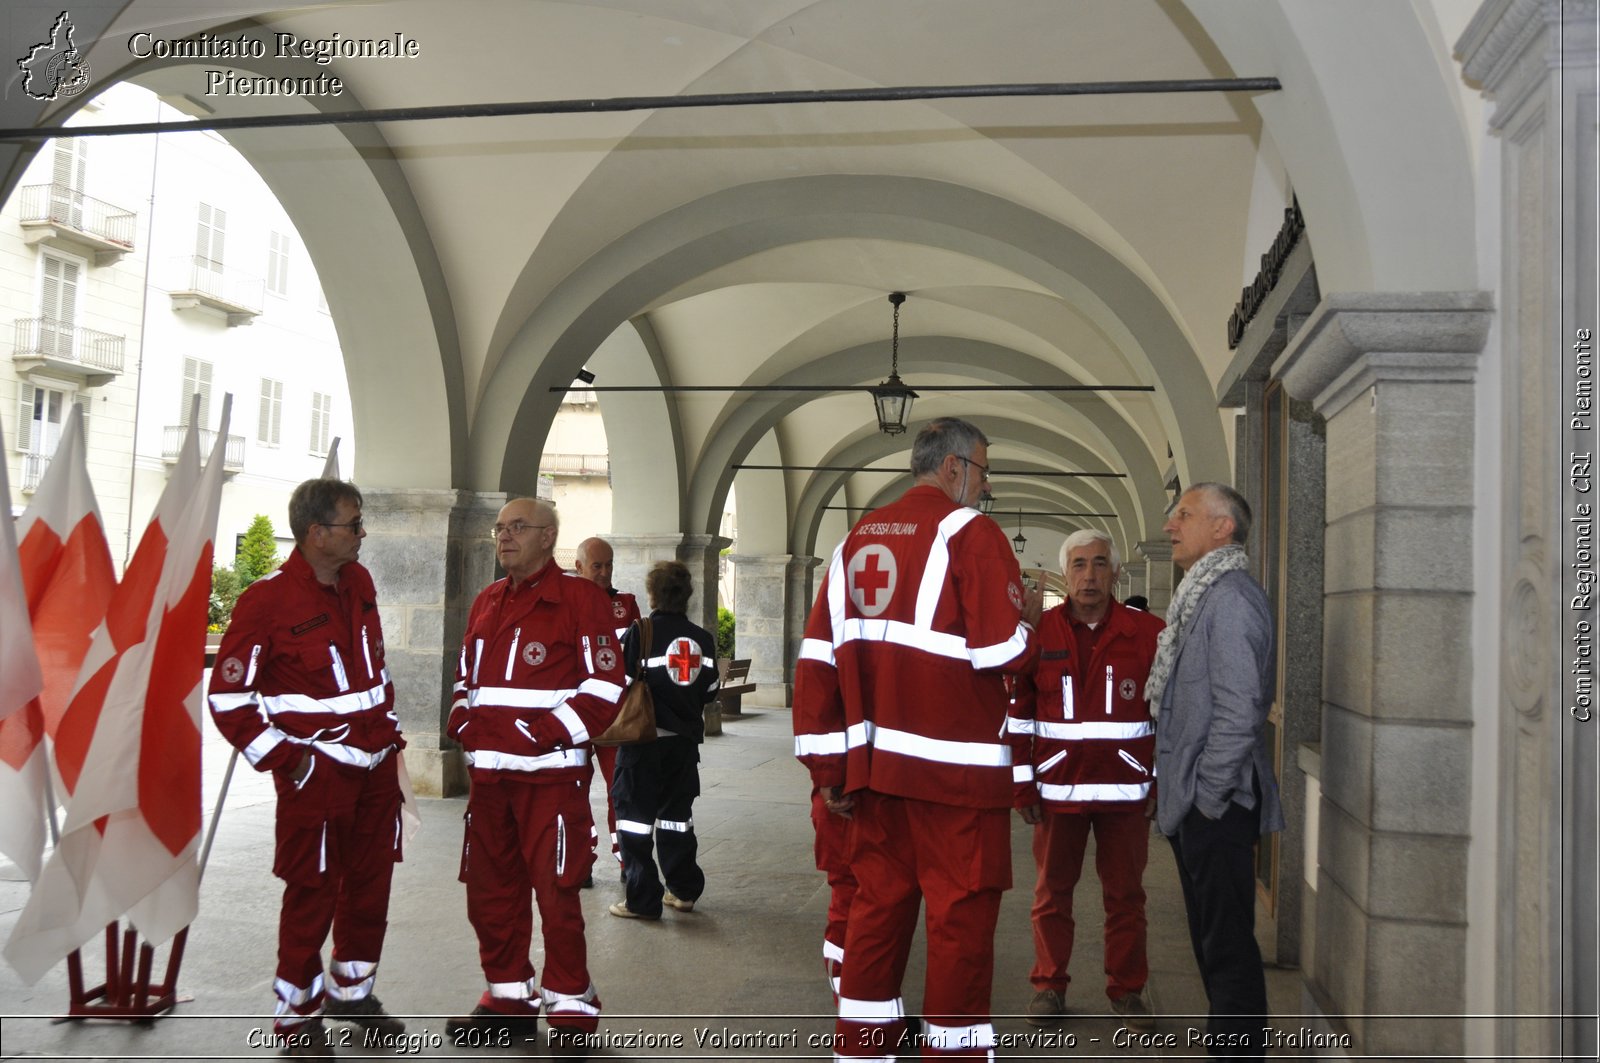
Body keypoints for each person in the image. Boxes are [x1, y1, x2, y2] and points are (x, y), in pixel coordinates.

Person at [794, 416, 1042, 1059]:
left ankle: (862, 1047)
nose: (986, 489)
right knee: (960, 921)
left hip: (876, 776)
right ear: (955, 466)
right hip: (955, 780)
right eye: (984, 472)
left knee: (877, 911)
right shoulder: (971, 533)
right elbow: (1001, 650)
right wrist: (1030, 625)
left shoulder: (855, 540)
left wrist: (828, 770)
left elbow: (818, 658)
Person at [207, 479, 405, 1057]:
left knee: (370, 889)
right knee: (311, 893)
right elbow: (229, 701)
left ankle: (352, 993)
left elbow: (372, 669)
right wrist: (289, 762)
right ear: (317, 534)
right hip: (317, 779)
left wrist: (388, 737)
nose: (362, 533)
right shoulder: (265, 602)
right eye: (353, 524)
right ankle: (296, 1017)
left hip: (374, 770)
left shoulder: (359, 582)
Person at [445, 499, 625, 1055]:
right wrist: (460, 717)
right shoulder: (487, 600)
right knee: (490, 896)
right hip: (491, 784)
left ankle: (572, 1009)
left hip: (550, 783)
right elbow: (466, 678)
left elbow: (604, 689)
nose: (504, 536)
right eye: (500, 528)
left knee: (557, 894)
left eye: (517, 527)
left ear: (549, 537)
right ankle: (508, 1002)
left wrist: (541, 734)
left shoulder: (581, 600)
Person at [1147, 483, 1284, 1062]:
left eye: (1184, 515)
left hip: (1217, 806)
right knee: (1212, 941)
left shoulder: (1228, 598)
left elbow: (1239, 710)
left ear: (1223, 527)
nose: (1171, 525)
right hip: (1200, 804)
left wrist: (1205, 797)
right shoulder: (1201, 592)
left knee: (1226, 947)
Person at [1008, 530, 1164, 1031]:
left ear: (1116, 572)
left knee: (1126, 898)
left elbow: (1169, 718)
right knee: (1052, 894)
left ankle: (1127, 990)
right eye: (1078, 565)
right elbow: (1018, 715)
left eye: (1099, 564)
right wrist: (1020, 784)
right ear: (1067, 572)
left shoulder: (1150, 634)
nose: (1089, 575)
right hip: (1057, 794)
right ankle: (1049, 986)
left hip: (1126, 794)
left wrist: (1159, 783)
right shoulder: (1040, 633)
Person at [606, 561, 718, 920]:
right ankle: (683, 891)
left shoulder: (641, 631)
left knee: (634, 823)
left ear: (653, 593)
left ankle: (642, 900)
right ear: (687, 595)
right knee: (676, 819)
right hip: (683, 746)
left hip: (644, 744)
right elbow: (711, 690)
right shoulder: (702, 639)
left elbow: (619, 684)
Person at [572, 536, 640, 881]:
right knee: (574, 791)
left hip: (615, 717)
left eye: (609, 565)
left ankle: (628, 863)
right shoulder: (562, 606)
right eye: (596, 566)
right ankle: (580, 862)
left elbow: (637, 659)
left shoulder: (626, 605)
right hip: (574, 717)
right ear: (578, 566)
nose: (604, 572)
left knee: (621, 792)